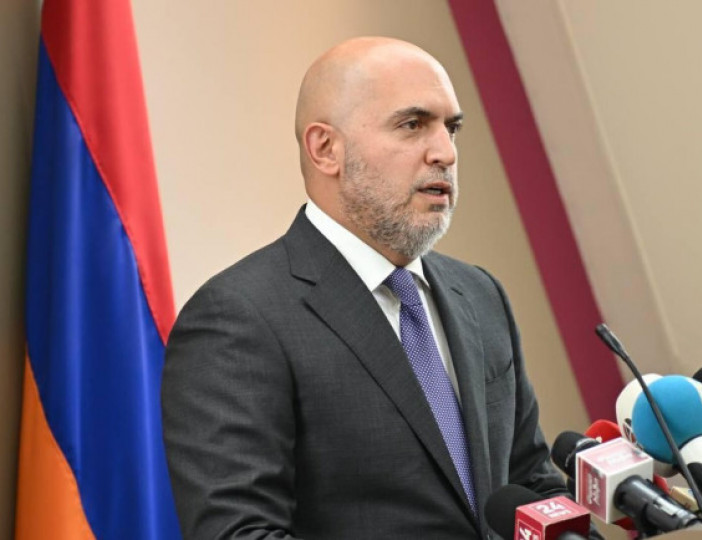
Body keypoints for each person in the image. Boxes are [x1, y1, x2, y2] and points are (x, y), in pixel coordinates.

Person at [162, 37, 579, 539]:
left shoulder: (480, 295)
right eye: (412, 124)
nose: (445, 152)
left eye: (451, 128)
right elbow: (240, 532)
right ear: (326, 149)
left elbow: (528, 483)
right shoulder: (239, 317)